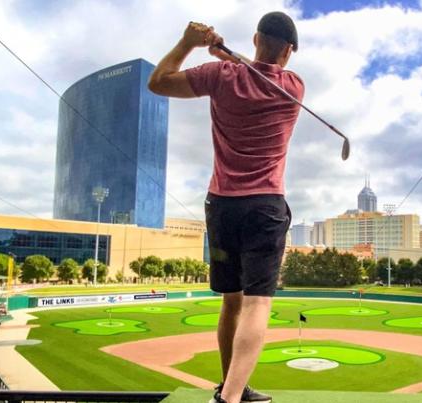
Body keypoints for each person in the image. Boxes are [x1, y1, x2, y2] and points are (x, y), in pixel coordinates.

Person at [148, 11, 303, 403]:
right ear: (288, 51)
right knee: (257, 302)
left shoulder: (220, 77)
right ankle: (231, 397)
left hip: (221, 207)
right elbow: (260, 73)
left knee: (231, 300)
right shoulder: (293, 87)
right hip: (265, 207)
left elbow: (158, 82)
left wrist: (190, 44)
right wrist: (227, 57)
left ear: (254, 39)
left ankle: (230, 386)